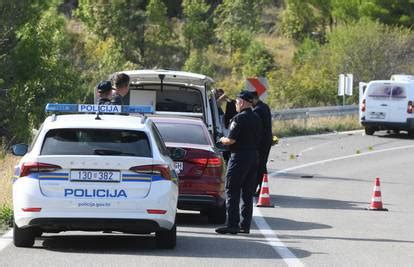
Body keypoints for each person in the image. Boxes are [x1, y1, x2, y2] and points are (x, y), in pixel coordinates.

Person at [215, 90, 262, 235]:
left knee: (232, 190)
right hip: (254, 156)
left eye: (236, 102)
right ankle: (245, 225)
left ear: (242, 102)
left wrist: (222, 139)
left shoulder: (239, 118)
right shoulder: (256, 117)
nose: (235, 104)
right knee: (248, 193)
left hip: (239, 157)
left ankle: (232, 224)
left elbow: (231, 140)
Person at [251, 91, 273, 195]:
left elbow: (257, 128)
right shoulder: (265, 106)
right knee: (262, 164)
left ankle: (260, 187)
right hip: (267, 140)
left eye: (251, 100)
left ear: (254, 99)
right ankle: (261, 186)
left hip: (261, 142)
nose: (250, 103)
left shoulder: (258, 110)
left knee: (259, 165)